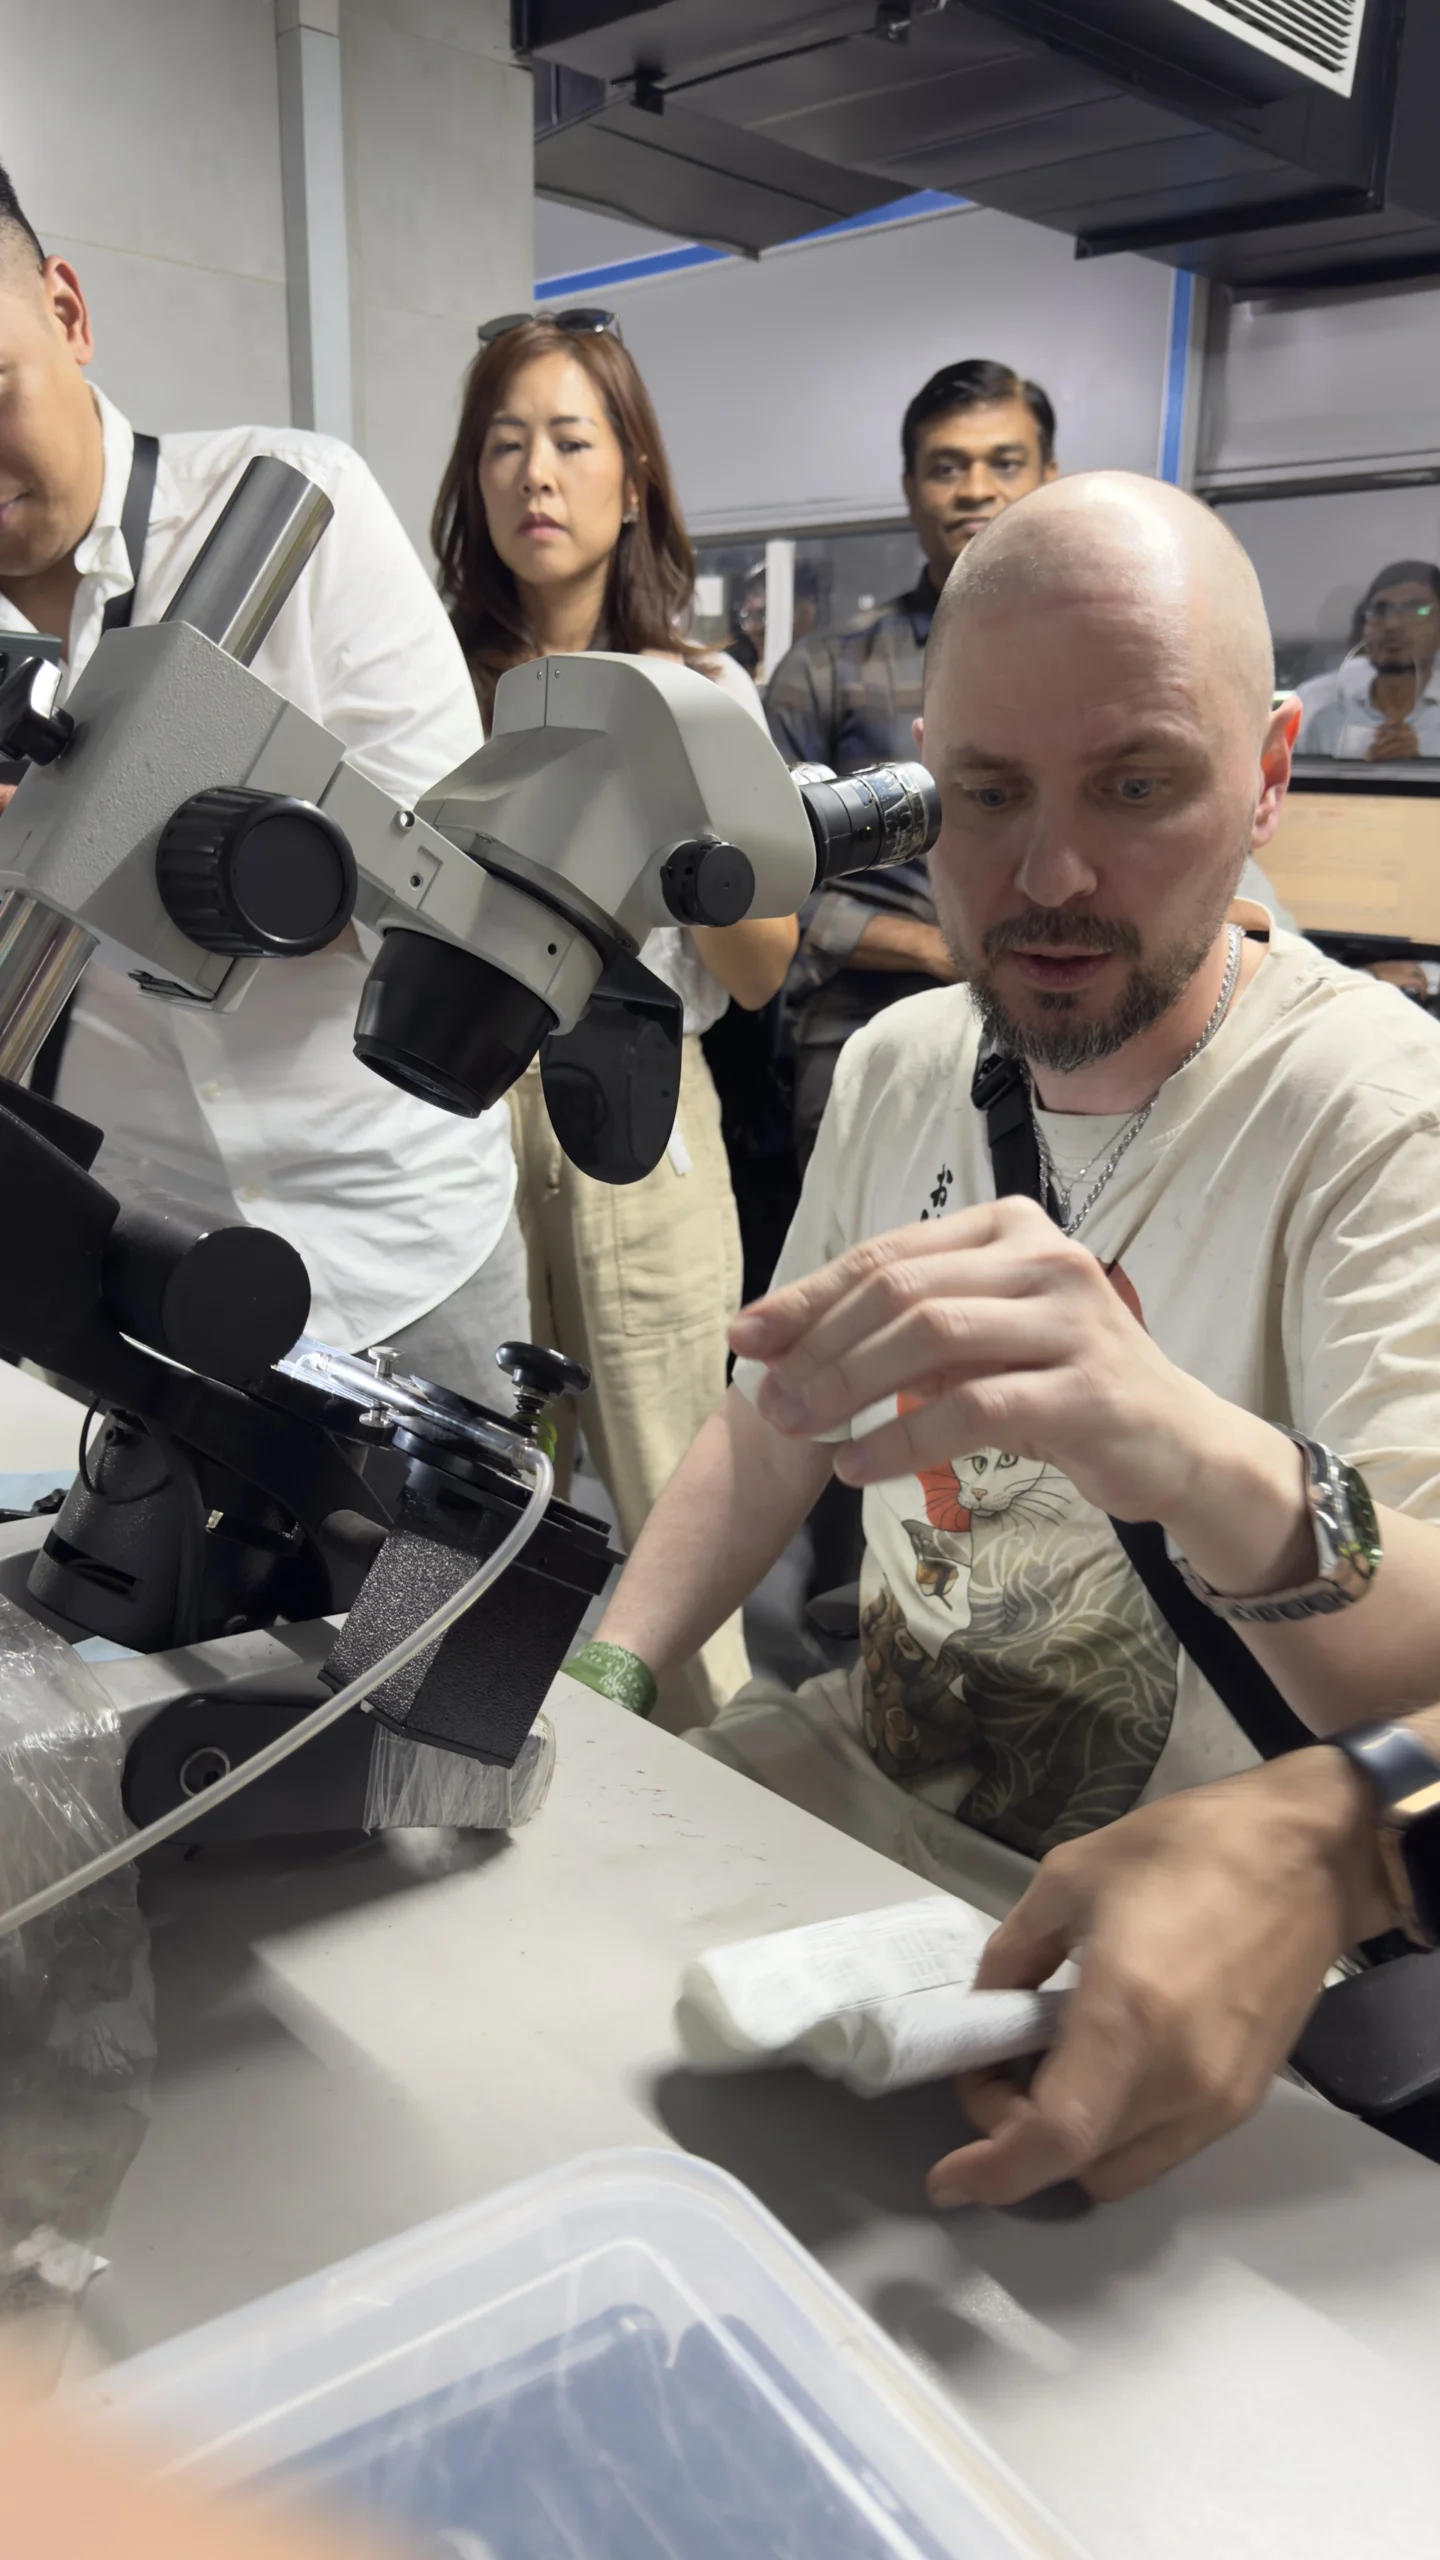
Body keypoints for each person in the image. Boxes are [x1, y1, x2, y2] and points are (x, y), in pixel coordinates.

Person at [577, 470, 1440, 2172]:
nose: (1048, 874)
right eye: (988, 795)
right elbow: (777, 1421)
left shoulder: (1375, 1117)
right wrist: (613, 1671)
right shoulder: (908, 1061)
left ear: (1268, 773)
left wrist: (1190, 1450)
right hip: (852, 1779)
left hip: (1153, 1924)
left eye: (1138, 784)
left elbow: (1417, 1684)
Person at [0, 166, 527, 1398]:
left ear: (68, 313)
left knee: (455, 1592)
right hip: (156, 1278)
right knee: (187, 1592)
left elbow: (460, 891)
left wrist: (112, 841)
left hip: (406, 1240)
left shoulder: (295, 512)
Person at [432, 312, 797, 1732]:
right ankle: (444, 1779)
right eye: (504, 443)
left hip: (645, 1114)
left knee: (677, 1506)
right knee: (461, 1499)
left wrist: (657, 788)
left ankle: (727, 1825)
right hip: (459, 1116)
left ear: (633, 477)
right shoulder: (425, 681)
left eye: (572, 440)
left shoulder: (703, 693)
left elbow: (762, 966)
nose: (536, 473)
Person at [767, 358, 1059, 1167]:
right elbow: (768, 888)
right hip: (869, 1009)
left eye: (1005, 463)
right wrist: (935, 949)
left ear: (1049, 477)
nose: (975, 488)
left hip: (1066, 997)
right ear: (910, 489)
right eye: (946, 467)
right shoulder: (827, 670)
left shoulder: (1102, 665)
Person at [1295, 558, 1440, 762]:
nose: (1392, 624)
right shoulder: (1322, 714)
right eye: (1379, 610)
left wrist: (1418, 768)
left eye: (1416, 610)